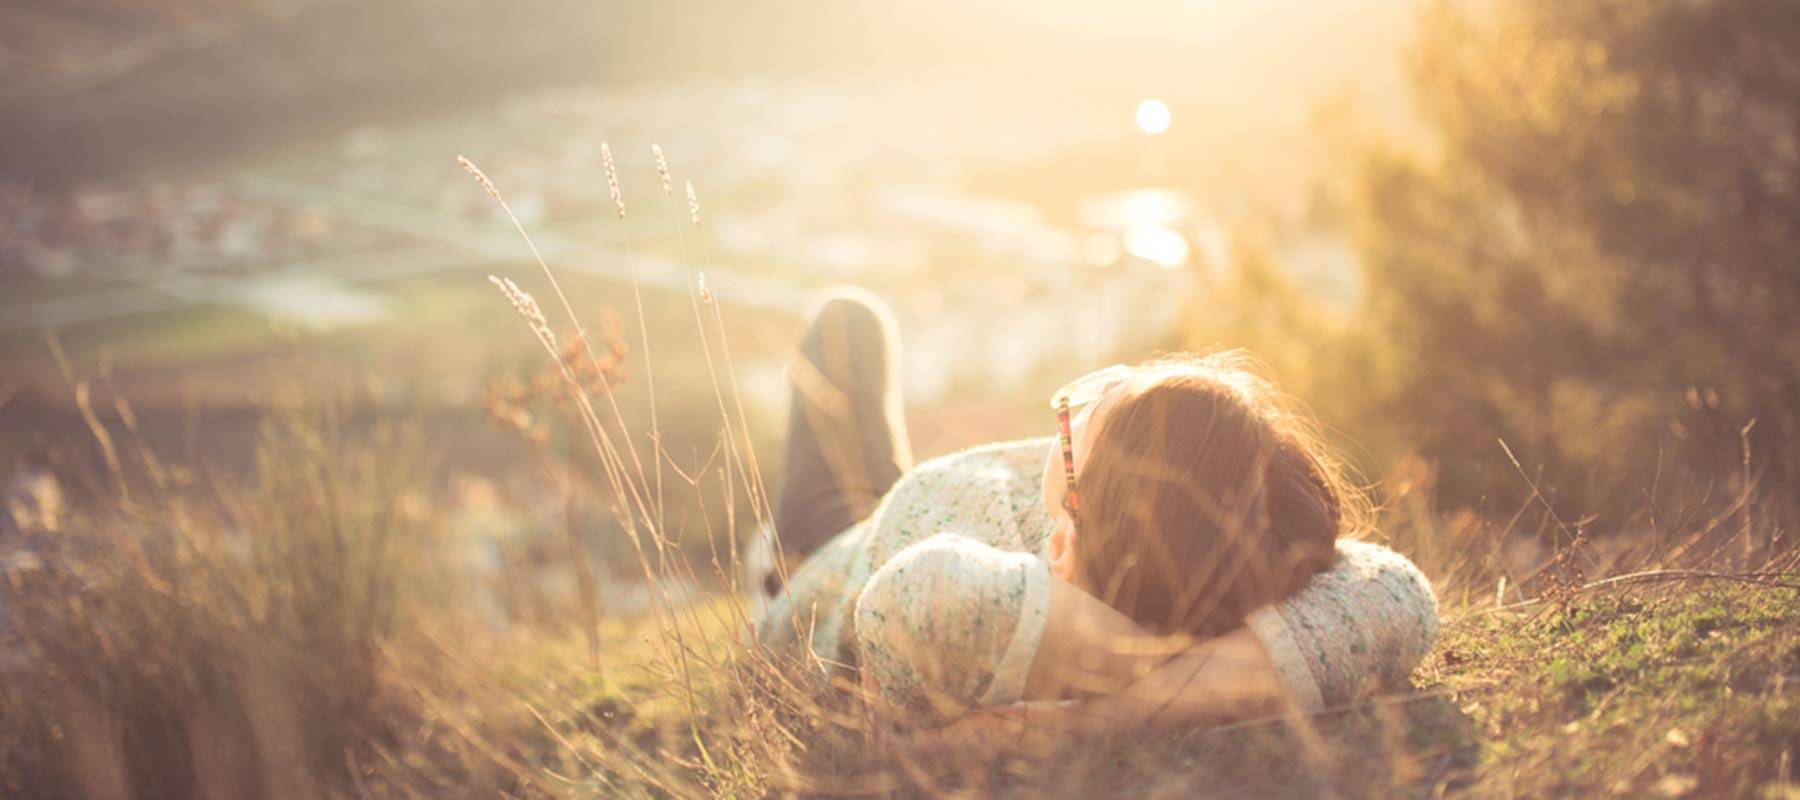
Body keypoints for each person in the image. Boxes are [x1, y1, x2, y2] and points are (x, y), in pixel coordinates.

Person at [753, 289, 1438, 732]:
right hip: (885, 526)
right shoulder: (1203, 560)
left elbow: (918, 590)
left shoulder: (968, 582)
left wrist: (1079, 724)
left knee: (844, 323)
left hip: (825, 562)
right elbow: (1398, 595)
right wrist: (1154, 678)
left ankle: (768, 572)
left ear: (1065, 543)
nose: (1067, 418)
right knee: (853, 325)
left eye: (1086, 421)